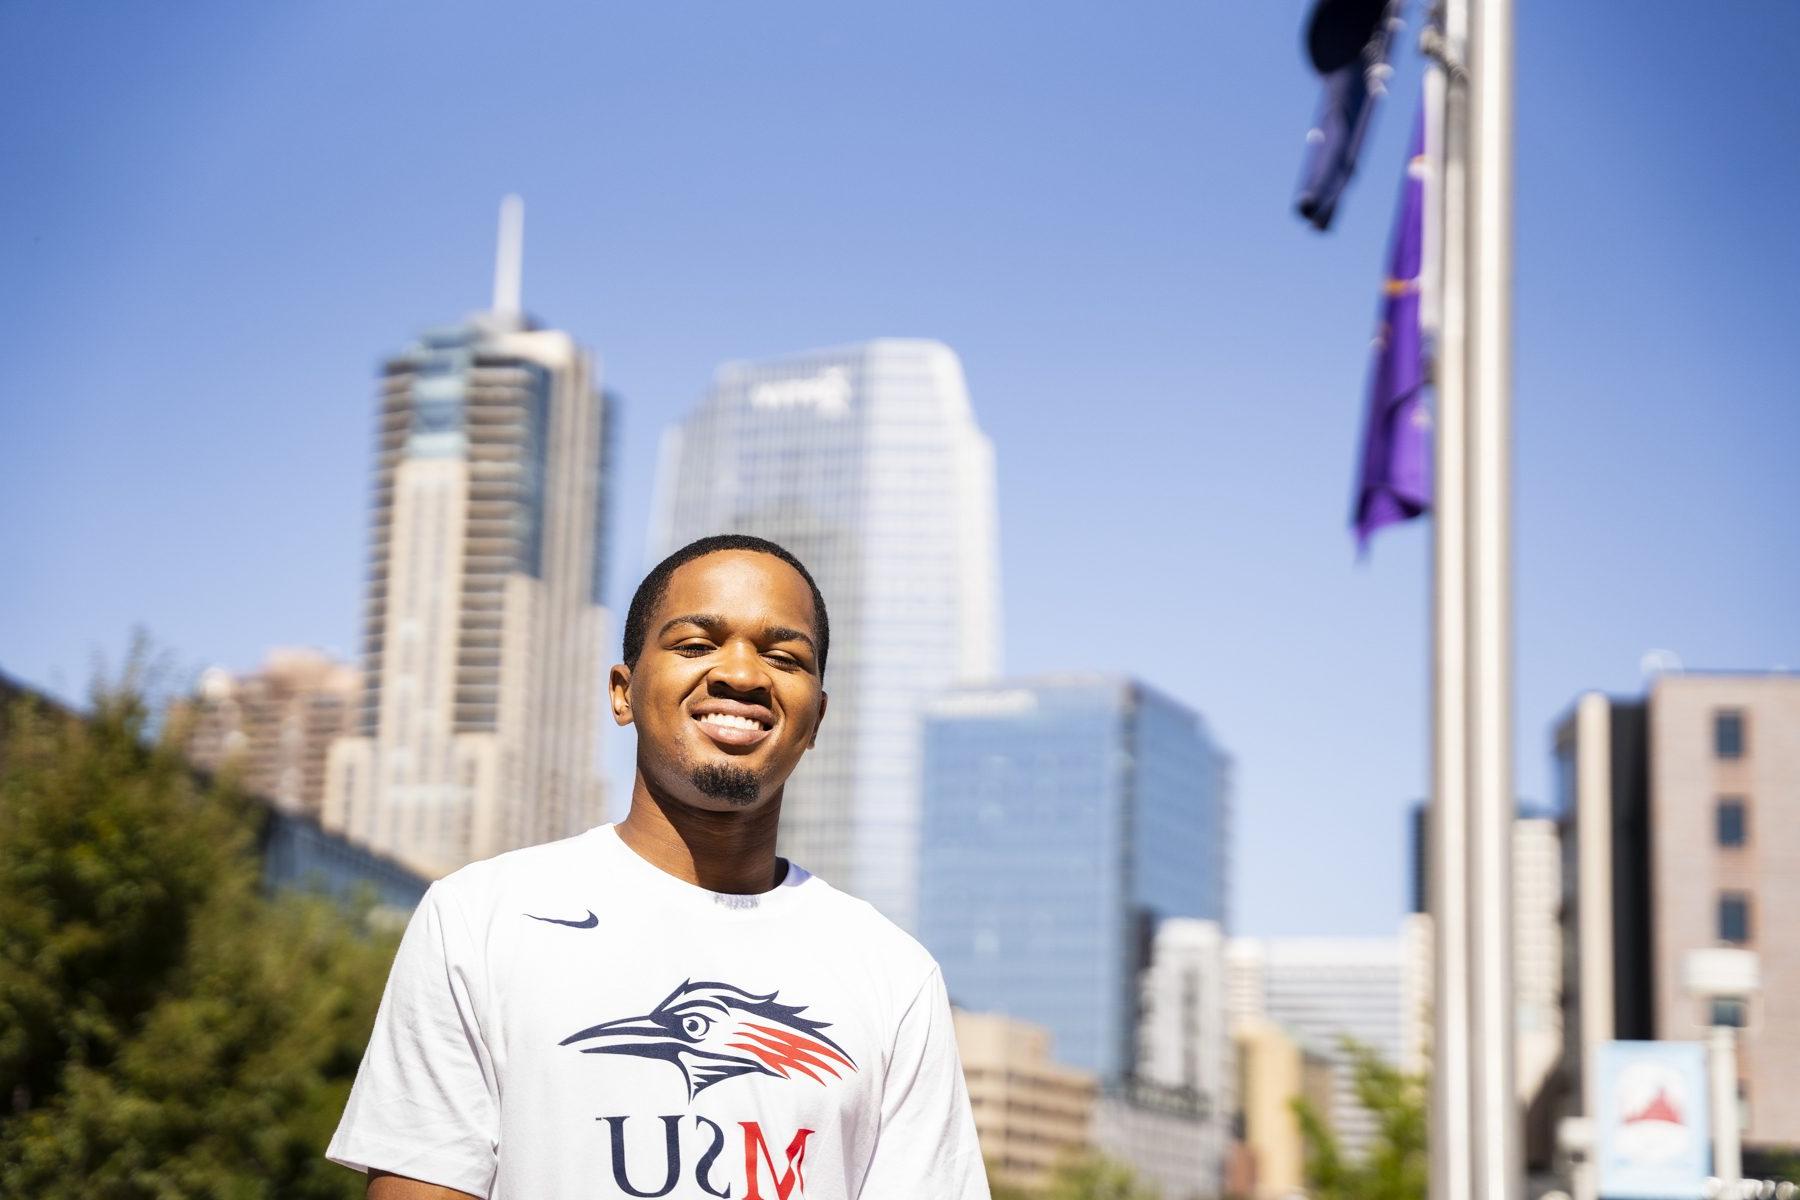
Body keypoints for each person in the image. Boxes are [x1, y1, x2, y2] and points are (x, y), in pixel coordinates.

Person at [327, 534, 990, 1199]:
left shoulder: (893, 975)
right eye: (696, 646)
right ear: (624, 692)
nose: (742, 674)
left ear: (815, 718)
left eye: (783, 656)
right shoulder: (480, 918)